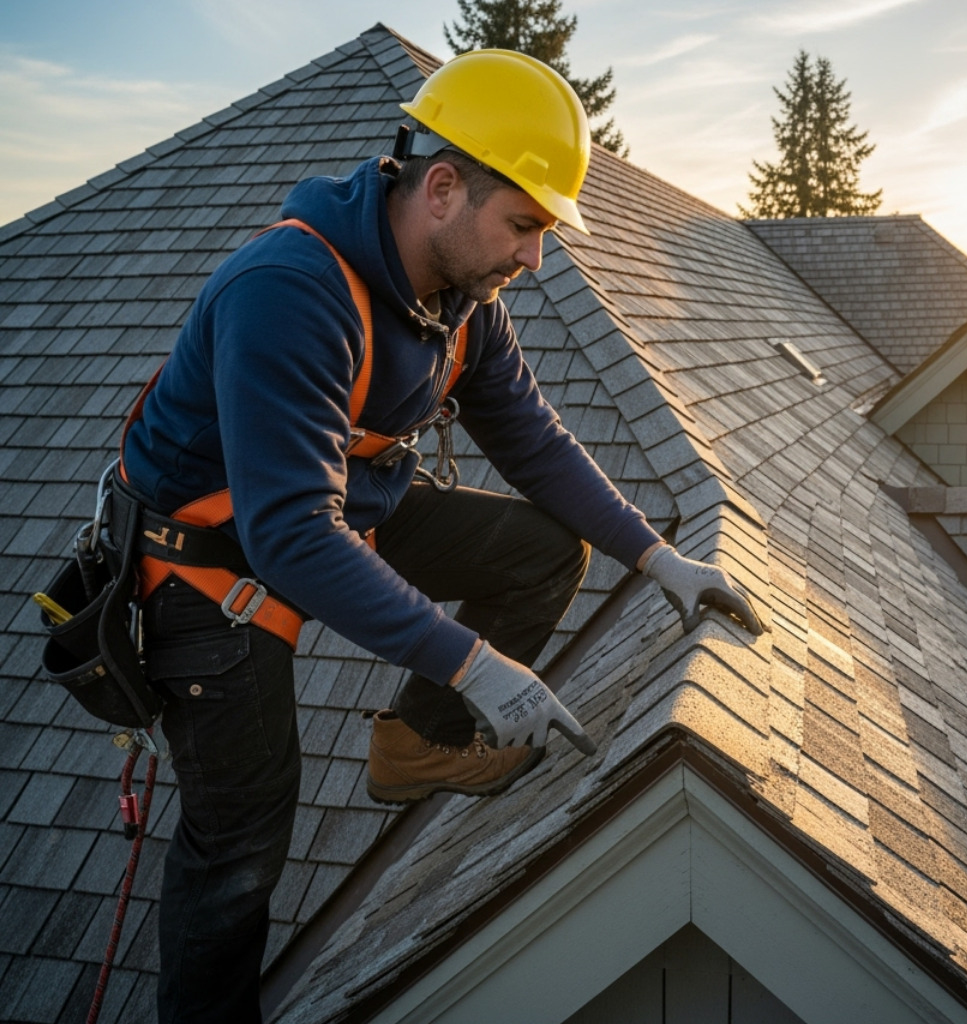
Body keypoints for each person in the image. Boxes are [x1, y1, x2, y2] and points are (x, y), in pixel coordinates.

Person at [117, 49, 763, 1024]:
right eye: (524, 224)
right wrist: (473, 662)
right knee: (242, 838)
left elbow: (535, 444)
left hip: (339, 508)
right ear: (444, 188)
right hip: (207, 562)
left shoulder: (463, 302)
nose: (535, 257)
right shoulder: (290, 290)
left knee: (547, 549)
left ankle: (414, 744)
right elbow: (289, 537)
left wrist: (658, 556)